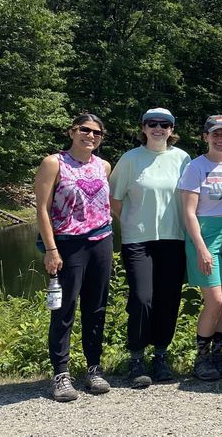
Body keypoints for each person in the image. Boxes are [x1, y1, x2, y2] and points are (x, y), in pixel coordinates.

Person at [34, 113, 114, 402]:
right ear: (72, 132)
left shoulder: (103, 166)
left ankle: (94, 369)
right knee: (64, 309)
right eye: (84, 129)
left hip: (101, 241)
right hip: (68, 244)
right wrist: (51, 249)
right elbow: (42, 209)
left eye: (96, 133)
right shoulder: (53, 163)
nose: (90, 136)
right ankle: (61, 374)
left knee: (96, 308)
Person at [109, 108, 191, 388]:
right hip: (138, 241)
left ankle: (160, 356)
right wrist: (132, 223)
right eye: (152, 123)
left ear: (171, 129)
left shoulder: (182, 159)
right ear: (143, 128)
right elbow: (115, 199)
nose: (158, 128)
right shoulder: (131, 159)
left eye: (164, 124)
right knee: (142, 298)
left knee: (169, 299)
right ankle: (136, 358)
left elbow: (190, 199)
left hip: (174, 238)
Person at [179, 114, 222, 381]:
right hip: (206, 235)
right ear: (205, 137)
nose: (220, 139)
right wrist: (201, 248)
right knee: (214, 301)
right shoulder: (195, 167)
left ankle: (219, 356)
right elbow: (188, 212)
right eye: (215, 134)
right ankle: (202, 358)